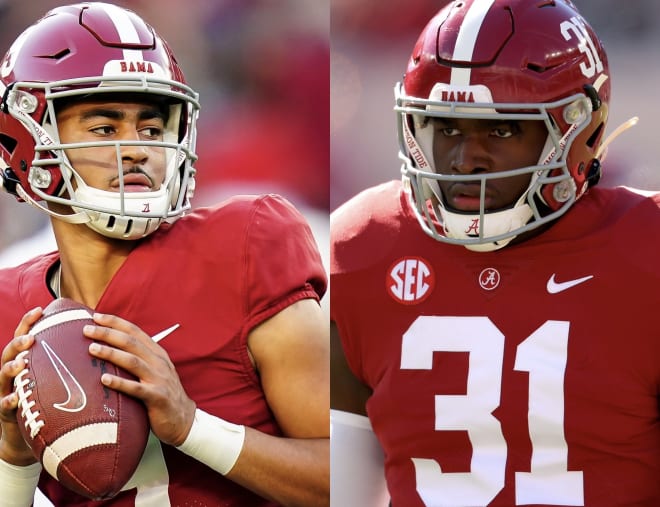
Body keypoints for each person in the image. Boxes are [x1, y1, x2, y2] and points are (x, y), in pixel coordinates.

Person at [330, 0, 659, 506]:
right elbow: (339, 487)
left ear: (579, 129)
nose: (466, 160)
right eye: (446, 127)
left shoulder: (645, 251)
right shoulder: (363, 246)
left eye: (501, 130)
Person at [0, 3, 329, 506]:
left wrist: (192, 427)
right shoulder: (7, 311)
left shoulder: (244, 246)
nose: (138, 150)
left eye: (152, 129)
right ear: (29, 139)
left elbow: (346, 480)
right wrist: (14, 461)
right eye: (105, 129)